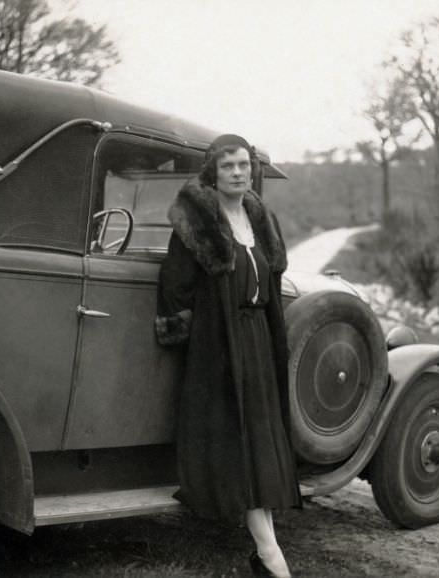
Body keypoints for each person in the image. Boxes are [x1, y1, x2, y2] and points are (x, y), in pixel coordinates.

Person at [155, 134, 300, 577]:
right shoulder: (195, 222)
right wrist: (190, 338)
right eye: (228, 166)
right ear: (212, 174)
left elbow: (269, 288)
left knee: (260, 445)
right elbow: (174, 287)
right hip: (219, 349)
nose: (239, 172)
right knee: (241, 449)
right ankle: (271, 556)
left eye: (244, 165)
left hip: (257, 341)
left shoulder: (260, 218)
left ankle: (264, 553)